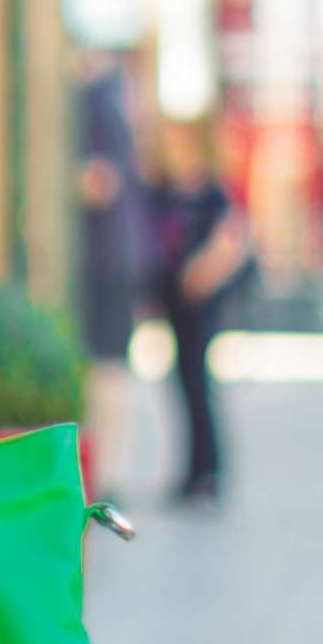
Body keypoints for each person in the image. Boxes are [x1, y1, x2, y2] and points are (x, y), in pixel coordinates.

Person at [149, 115, 247, 503]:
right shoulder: (167, 189)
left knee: (198, 384)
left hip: (202, 302)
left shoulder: (213, 193)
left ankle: (208, 472)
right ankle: (191, 472)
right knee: (183, 384)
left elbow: (232, 241)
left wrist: (201, 274)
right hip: (176, 302)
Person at [72, 48, 144, 503]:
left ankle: (108, 475)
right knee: (111, 369)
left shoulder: (92, 102)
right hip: (117, 256)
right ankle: (109, 472)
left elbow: (99, 181)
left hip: (104, 259)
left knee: (106, 369)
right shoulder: (111, 100)